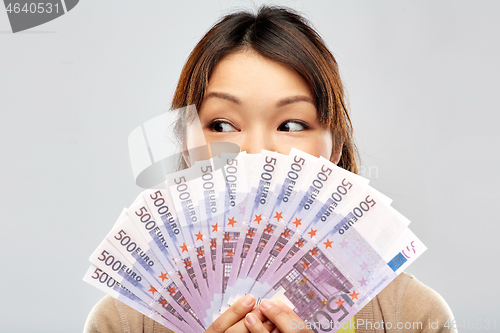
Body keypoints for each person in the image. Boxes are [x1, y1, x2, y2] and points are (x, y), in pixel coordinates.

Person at [84, 5, 456, 333]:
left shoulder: (412, 317)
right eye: (222, 125)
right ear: (187, 145)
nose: (255, 153)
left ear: (335, 148)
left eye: (292, 125)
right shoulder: (123, 323)